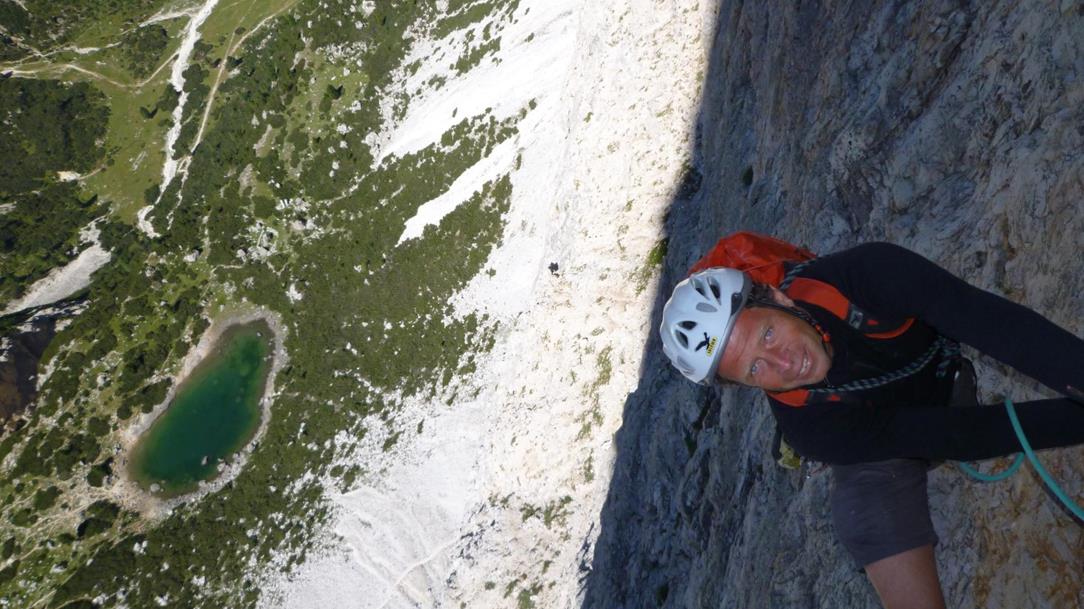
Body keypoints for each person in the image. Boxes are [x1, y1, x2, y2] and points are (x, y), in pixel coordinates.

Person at [659, 240, 1084, 609]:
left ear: (778, 298)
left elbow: (1003, 330)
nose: (783, 363)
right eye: (755, 368)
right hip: (899, 435)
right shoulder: (810, 428)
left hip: (940, 376)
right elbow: (954, 436)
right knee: (862, 514)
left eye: (767, 335)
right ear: (745, 386)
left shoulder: (865, 277)